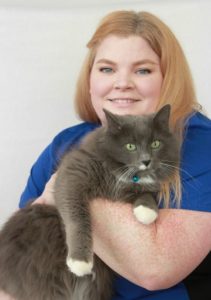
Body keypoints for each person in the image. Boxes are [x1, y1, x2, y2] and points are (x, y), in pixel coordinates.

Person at [1, 10, 211, 300]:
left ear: (168, 78)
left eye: (143, 70)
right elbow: (17, 260)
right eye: (107, 69)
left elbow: (155, 271)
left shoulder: (200, 144)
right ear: (90, 81)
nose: (122, 83)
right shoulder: (66, 143)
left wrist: (66, 187)